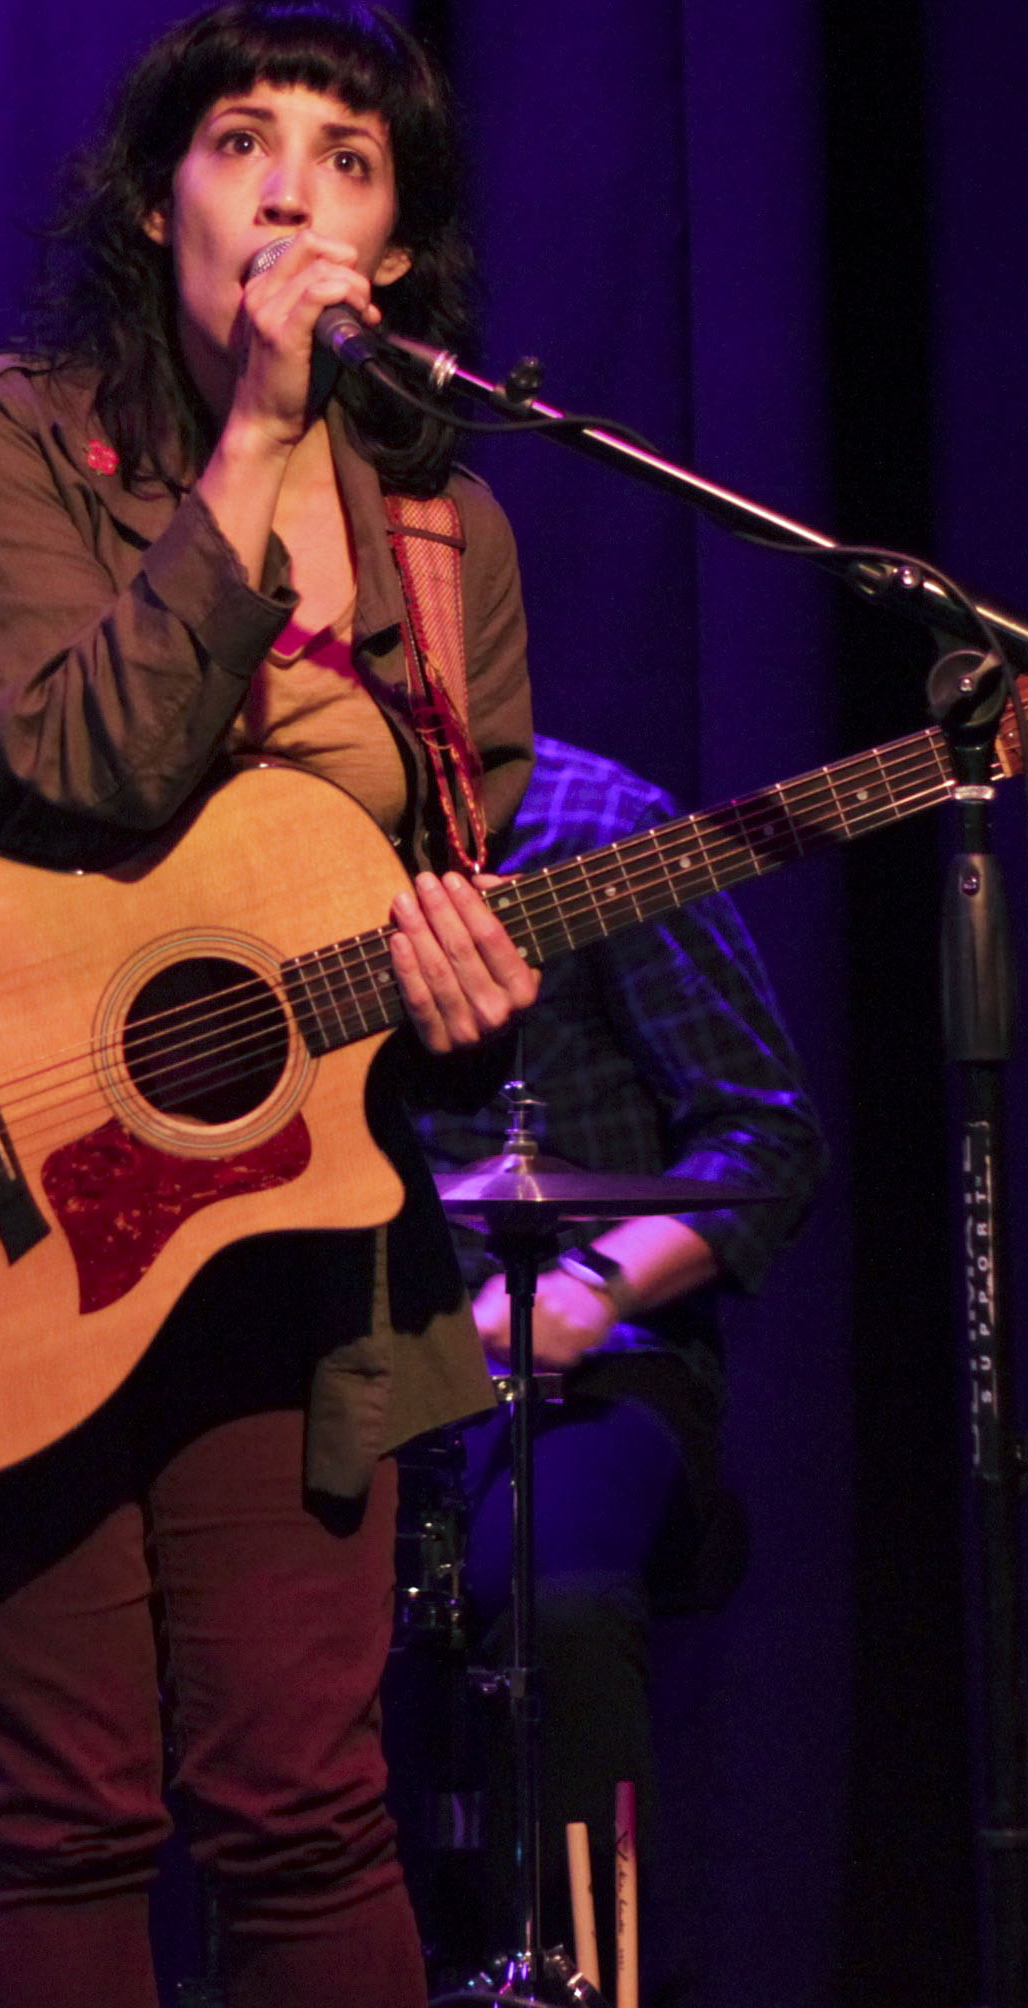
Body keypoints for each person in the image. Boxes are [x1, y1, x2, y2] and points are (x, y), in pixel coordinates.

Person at [0, 0, 539, 2008]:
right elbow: (89, 759)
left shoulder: (449, 531)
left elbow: (445, 892)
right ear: (159, 204)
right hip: (0, 1188)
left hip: (290, 1230)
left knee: (307, 1807)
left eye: (349, 160)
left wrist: (470, 996)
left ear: (396, 246)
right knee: (67, 1812)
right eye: (242, 143)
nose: (291, 194)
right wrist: (253, 438)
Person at [407, 731, 824, 1988]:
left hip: (583, 1366)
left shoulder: (593, 823)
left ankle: (585, 1977)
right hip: (351, 1368)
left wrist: (591, 1286)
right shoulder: (237, 846)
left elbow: (764, 1137)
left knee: (558, 1600)